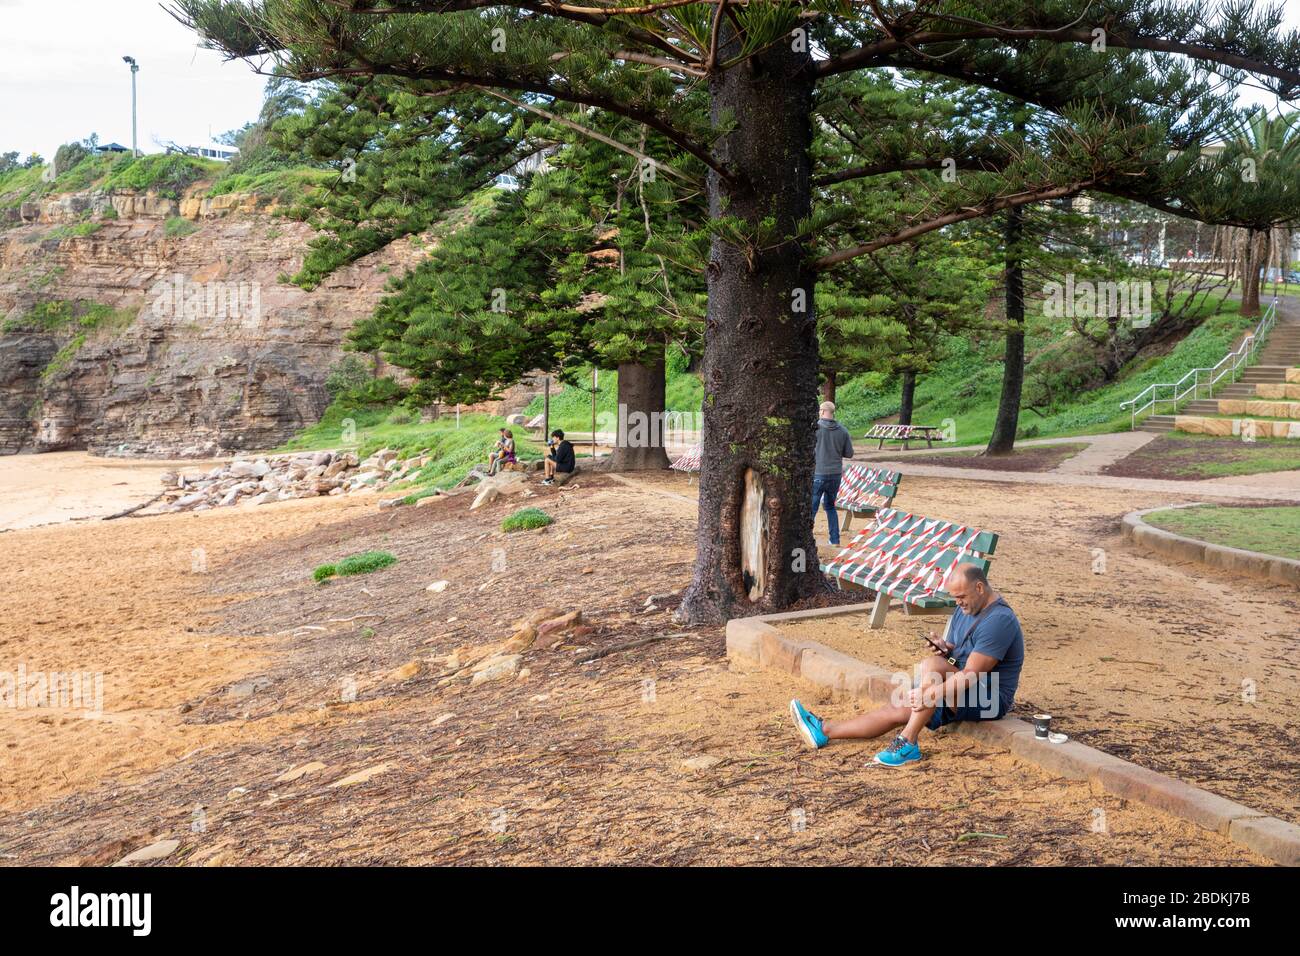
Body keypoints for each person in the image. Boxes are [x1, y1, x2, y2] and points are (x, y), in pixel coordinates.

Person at [788, 563, 1024, 767]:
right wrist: (945, 648)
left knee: (933, 666)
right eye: (954, 598)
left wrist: (929, 693)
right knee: (897, 708)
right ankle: (825, 731)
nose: (958, 603)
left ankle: (909, 741)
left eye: (961, 597)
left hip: (989, 698)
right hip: (957, 687)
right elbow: (958, 654)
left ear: (979, 588)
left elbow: (972, 674)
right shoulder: (968, 606)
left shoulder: (999, 620)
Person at [812, 400, 855, 546]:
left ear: (823, 411)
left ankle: (806, 538)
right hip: (835, 475)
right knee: (830, 507)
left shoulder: (815, 428)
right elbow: (849, 453)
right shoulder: (843, 430)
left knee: (812, 507)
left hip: (818, 473)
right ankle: (835, 540)